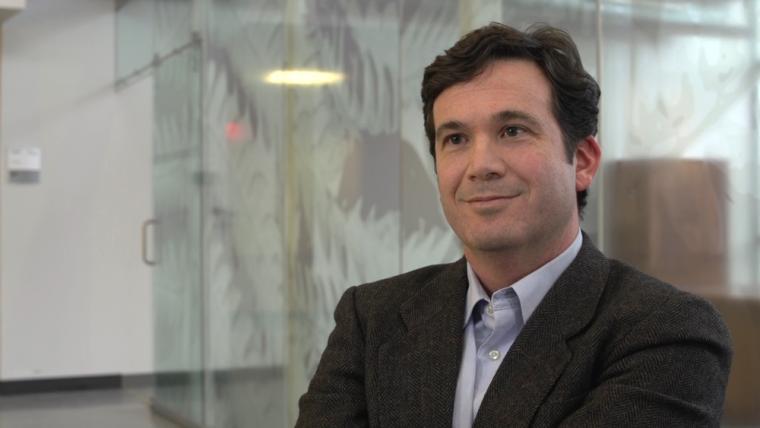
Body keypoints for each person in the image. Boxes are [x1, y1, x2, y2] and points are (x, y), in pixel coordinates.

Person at [296, 22, 732, 427]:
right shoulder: (373, 320)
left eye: (512, 131)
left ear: (582, 161)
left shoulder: (667, 333)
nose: (480, 165)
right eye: (456, 139)